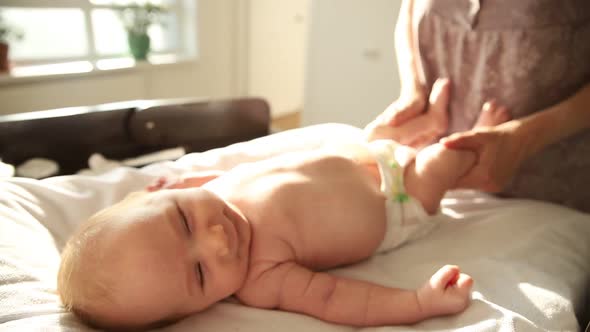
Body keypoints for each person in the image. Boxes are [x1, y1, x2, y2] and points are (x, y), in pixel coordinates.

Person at [56, 105, 509, 330]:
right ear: (197, 310)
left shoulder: (205, 190)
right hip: (398, 202)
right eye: (199, 272)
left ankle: (433, 128)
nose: (216, 239)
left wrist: (186, 184)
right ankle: (485, 139)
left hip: (362, 159)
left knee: (391, 134)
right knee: (442, 162)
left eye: (183, 222)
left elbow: (222, 175)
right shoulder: (261, 278)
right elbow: (337, 299)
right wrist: (417, 304)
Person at [365, 0, 590, 212]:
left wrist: (523, 138)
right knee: (380, 145)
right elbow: (411, 7)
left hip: (552, 190)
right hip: (430, 170)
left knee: (390, 153)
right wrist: (413, 89)